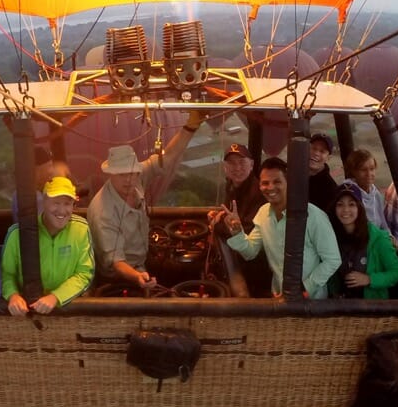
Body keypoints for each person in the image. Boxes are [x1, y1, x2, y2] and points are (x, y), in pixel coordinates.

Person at [86, 110, 204, 291]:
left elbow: (168, 157)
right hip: (119, 278)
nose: (128, 179)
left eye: (132, 172)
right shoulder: (103, 212)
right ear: (110, 174)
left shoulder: (138, 177)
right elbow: (117, 262)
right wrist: (138, 277)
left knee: (190, 271)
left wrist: (191, 126)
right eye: (122, 174)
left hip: (143, 261)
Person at [219, 160, 340, 299]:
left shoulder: (313, 215)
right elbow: (250, 252)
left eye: (277, 182)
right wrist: (237, 231)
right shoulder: (263, 213)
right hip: (278, 297)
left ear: (288, 183)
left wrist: (305, 289)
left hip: (311, 302)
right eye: (265, 183)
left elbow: (333, 260)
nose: (270, 187)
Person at [1, 176, 94, 315]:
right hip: (26, 313)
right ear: (44, 202)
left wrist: (56, 297)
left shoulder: (80, 228)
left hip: (68, 310)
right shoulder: (17, 233)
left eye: (67, 204)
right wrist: (13, 295)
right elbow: (6, 274)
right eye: (56, 203)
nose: (62, 210)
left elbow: (84, 274)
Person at [207, 144, 271, 296]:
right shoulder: (231, 186)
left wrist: (217, 224)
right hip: (239, 255)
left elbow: (245, 230)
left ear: (252, 164)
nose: (237, 168)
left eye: (242, 162)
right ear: (225, 167)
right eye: (231, 163)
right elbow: (232, 217)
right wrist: (219, 217)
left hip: (255, 264)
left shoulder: (258, 193)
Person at [326, 180, 398, 299]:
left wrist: (369, 279)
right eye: (340, 204)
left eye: (351, 204)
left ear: (360, 208)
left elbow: (397, 273)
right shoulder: (332, 236)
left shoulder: (378, 238)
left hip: (371, 307)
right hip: (341, 306)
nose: (345, 210)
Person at [343, 148, 391, 233]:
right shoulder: (349, 193)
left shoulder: (375, 192)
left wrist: (389, 235)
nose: (369, 174)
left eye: (372, 169)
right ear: (353, 171)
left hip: (377, 237)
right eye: (363, 170)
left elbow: (382, 222)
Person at [307, 132, 339, 210]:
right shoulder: (292, 175)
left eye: (322, 151)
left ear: (328, 158)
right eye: (314, 148)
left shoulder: (331, 189)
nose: (316, 153)